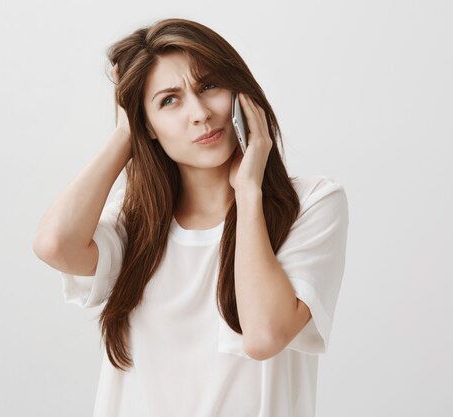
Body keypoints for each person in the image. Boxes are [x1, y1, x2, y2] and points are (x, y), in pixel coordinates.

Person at [33, 17, 349, 417]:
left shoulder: (312, 204)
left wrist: (248, 194)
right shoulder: (137, 224)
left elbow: (264, 335)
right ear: (146, 125)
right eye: (169, 100)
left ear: (240, 91)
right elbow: (54, 244)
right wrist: (122, 136)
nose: (199, 113)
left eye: (208, 86)